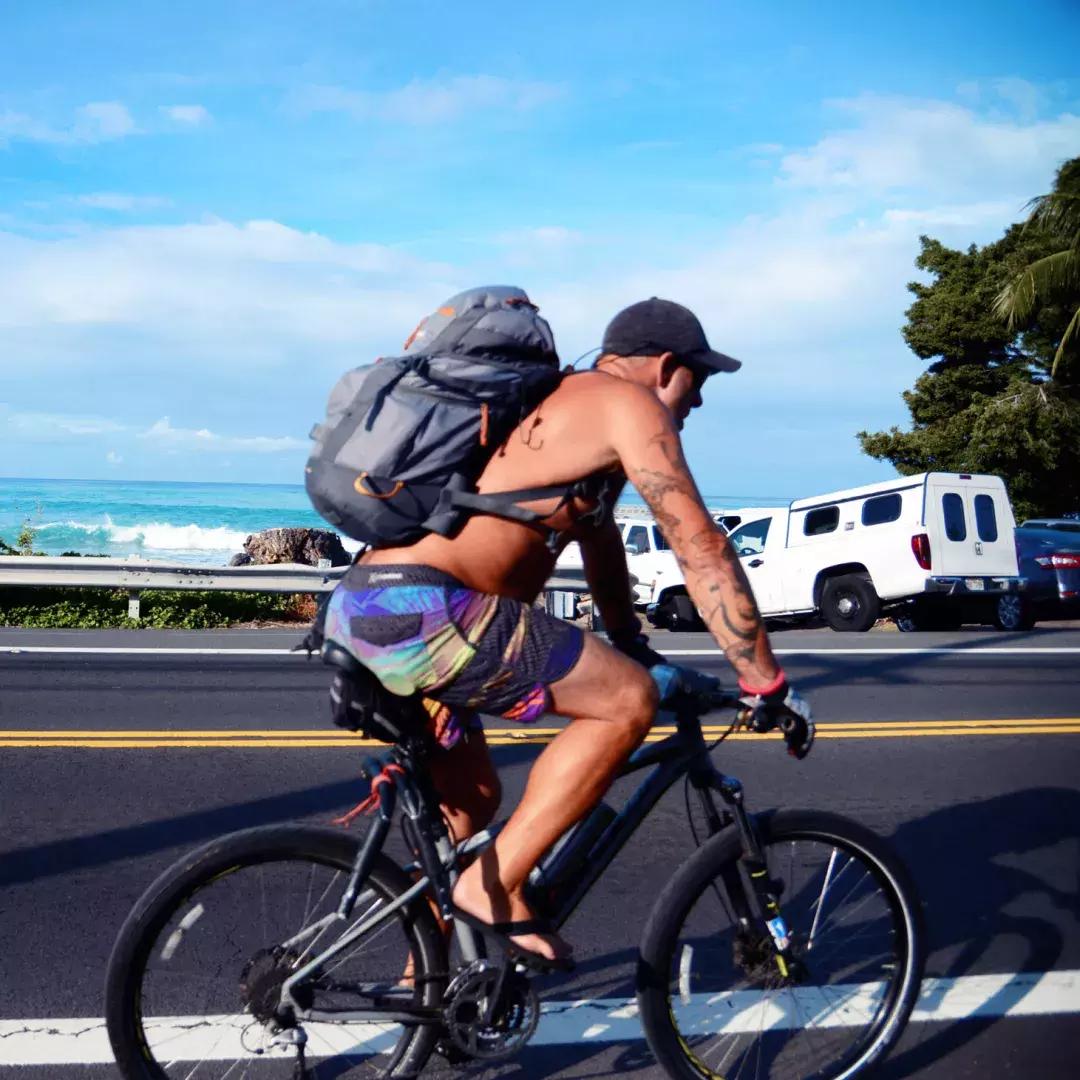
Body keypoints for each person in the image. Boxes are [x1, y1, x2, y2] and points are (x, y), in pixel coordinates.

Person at [324, 296, 812, 966]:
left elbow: (600, 542)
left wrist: (630, 641)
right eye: (697, 388)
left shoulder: (553, 407)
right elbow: (698, 544)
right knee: (627, 702)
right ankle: (490, 890)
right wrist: (766, 680)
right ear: (669, 366)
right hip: (427, 611)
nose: (696, 407)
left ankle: (427, 992)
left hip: (368, 606)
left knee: (471, 803)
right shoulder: (626, 406)